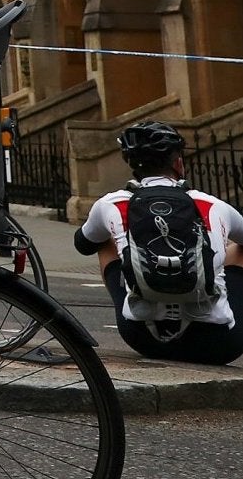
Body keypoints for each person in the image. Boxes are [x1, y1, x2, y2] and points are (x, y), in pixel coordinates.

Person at [75, 120, 243, 366]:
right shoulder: (211, 204)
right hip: (219, 344)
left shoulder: (112, 204)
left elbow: (83, 244)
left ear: (131, 165)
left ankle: (144, 305)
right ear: (178, 163)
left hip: (142, 337)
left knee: (105, 240)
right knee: (239, 249)